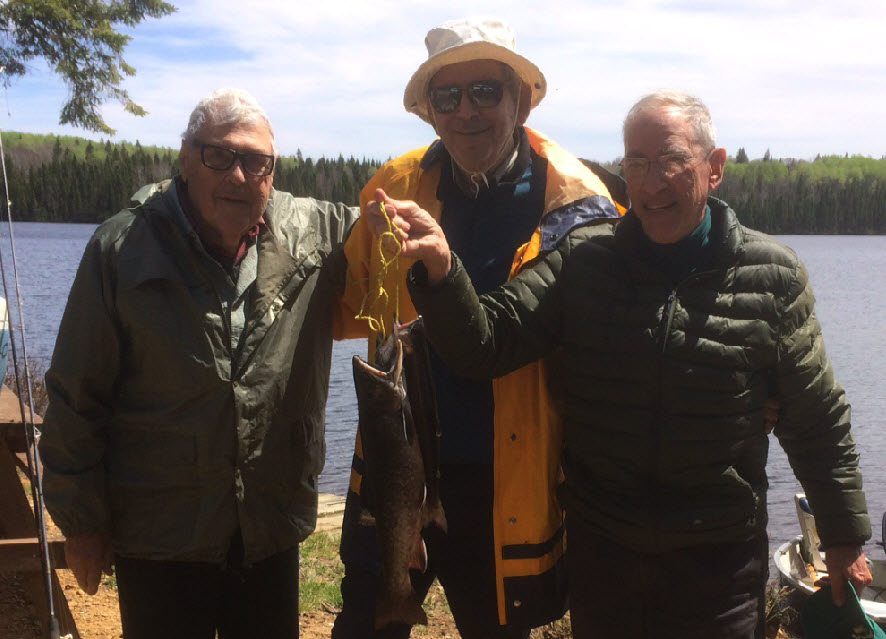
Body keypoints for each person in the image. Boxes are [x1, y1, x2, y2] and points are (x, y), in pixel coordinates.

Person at [372, 89, 873, 639]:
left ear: (714, 168)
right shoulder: (585, 259)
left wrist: (843, 536)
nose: (650, 183)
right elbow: (487, 343)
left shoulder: (772, 276)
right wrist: (443, 273)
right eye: (635, 164)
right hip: (604, 553)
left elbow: (816, 417)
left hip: (718, 560)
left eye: (671, 161)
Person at [333, 17, 624, 639]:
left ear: (521, 98)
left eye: (486, 92)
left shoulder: (577, 203)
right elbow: (339, 295)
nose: (467, 112)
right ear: (430, 112)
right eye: (448, 96)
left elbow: (623, 334)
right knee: (364, 621)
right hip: (393, 457)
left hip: (503, 484)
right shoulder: (394, 184)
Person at [37, 88, 359, 639]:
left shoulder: (313, 232)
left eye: (257, 161)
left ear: (273, 172)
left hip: (267, 524)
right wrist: (83, 522)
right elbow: (75, 395)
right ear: (186, 159)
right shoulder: (121, 248)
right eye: (220, 156)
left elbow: (392, 212)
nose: (239, 176)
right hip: (161, 534)